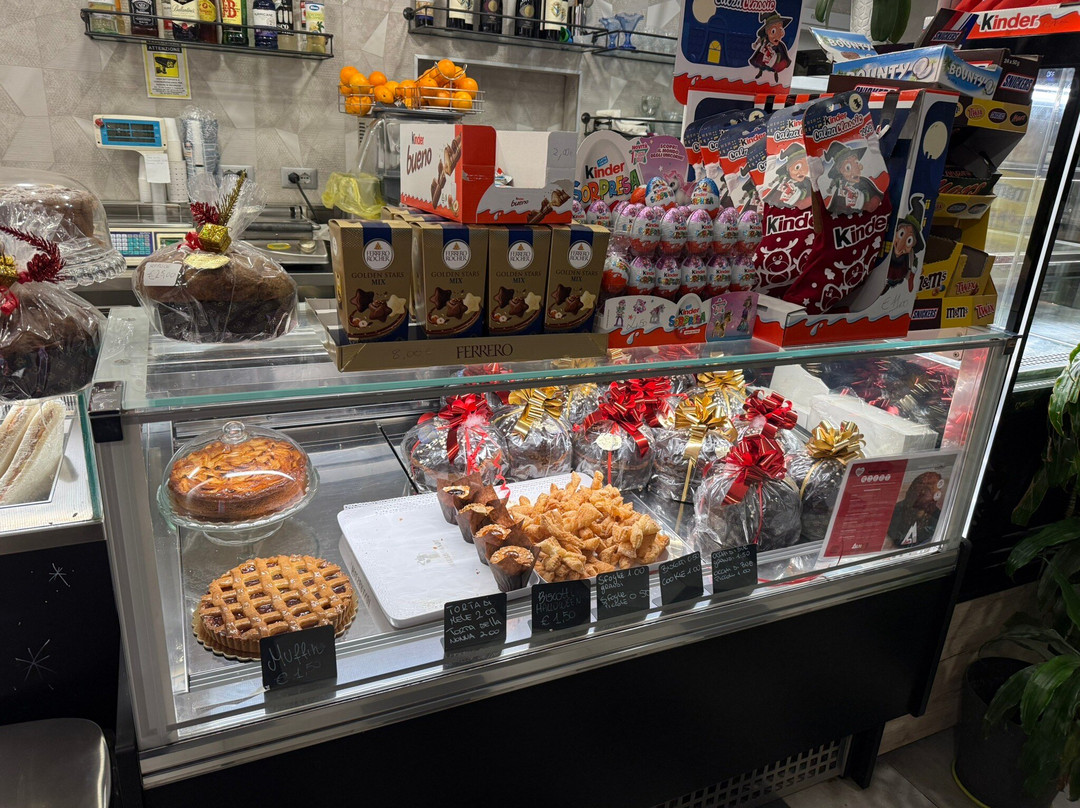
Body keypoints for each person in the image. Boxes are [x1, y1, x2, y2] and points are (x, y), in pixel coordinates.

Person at [823, 141, 883, 215]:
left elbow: (878, 197)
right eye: (848, 167)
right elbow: (833, 209)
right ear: (840, 171)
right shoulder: (840, 189)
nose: (857, 169)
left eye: (856, 163)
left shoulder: (865, 182)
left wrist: (868, 203)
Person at [884, 195, 927, 294]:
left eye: (909, 241)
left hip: (899, 275)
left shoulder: (910, 255)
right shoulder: (887, 245)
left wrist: (912, 274)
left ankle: (891, 284)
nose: (901, 244)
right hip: (883, 271)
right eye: (901, 234)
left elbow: (914, 263)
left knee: (894, 282)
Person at [763, 144, 812, 209]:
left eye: (806, 166)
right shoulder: (784, 181)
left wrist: (799, 194)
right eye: (797, 167)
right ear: (788, 169)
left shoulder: (807, 182)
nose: (803, 171)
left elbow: (808, 197)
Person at [749, 12, 793, 82]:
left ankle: (775, 73)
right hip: (764, 52)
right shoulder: (765, 40)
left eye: (780, 30)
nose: (778, 35)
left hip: (776, 55)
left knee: (778, 64)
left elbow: (781, 54)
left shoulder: (780, 46)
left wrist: (777, 56)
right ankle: (760, 72)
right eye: (773, 31)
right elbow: (760, 40)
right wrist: (756, 44)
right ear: (767, 31)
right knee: (760, 61)